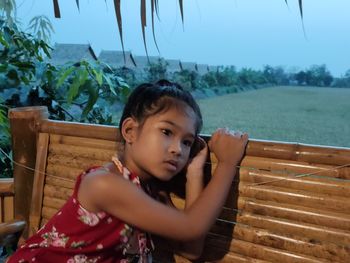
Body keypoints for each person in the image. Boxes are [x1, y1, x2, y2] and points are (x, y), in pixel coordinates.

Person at [8, 80, 248, 263]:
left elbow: (191, 248)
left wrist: (195, 173)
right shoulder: (104, 184)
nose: (177, 150)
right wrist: (227, 164)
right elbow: (191, 226)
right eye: (166, 132)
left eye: (187, 142)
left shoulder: (149, 194)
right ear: (130, 130)